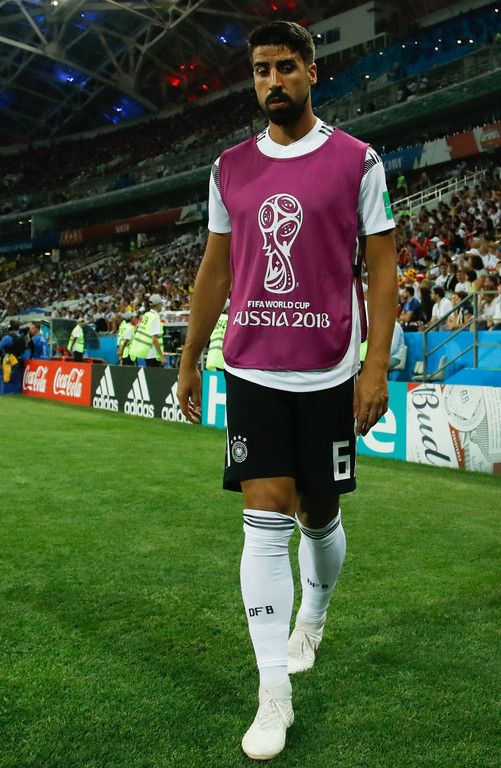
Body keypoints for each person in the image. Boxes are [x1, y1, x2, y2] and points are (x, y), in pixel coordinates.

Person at [178, 21, 397, 761]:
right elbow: (214, 270)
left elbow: (382, 268)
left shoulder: (357, 160)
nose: (272, 80)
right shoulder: (229, 168)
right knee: (264, 517)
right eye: (260, 70)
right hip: (252, 368)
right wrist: (191, 357)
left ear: (311, 71)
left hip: (329, 369)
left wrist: (374, 365)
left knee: (318, 513)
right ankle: (273, 691)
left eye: (284, 67)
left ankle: (315, 618)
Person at [129, 293, 166, 367]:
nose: (162, 305)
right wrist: (162, 356)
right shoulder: (155, 317)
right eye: (161, 303)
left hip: (147, 352)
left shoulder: (147, 315)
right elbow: (154, 339)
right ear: (157, 304)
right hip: (153, 354)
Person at [205, 299, 229, 371]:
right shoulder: (230, 319)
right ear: (226, 309)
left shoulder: (213, 320)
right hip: (223, 360)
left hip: (211, 358)